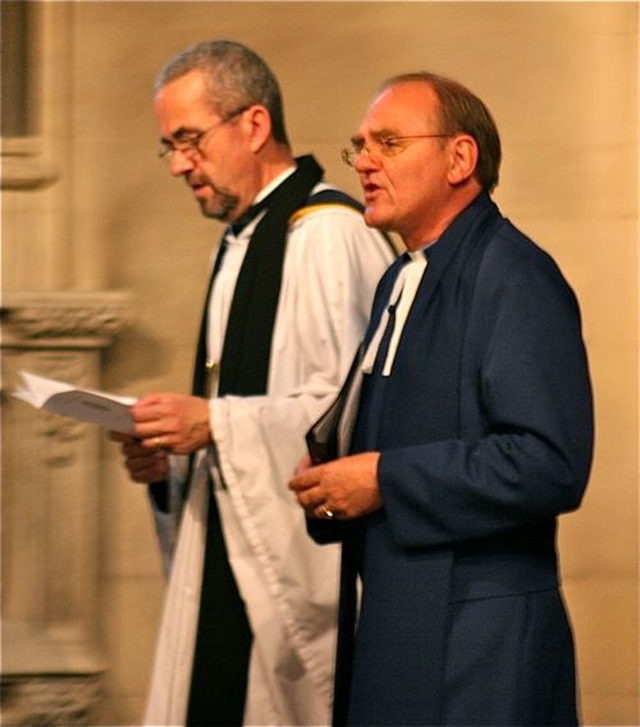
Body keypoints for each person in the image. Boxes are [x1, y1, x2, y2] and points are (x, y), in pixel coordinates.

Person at [289, 71, 594, 726]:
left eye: (389, 143)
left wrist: (382, 478)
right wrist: (334, 479)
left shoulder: (514, 274)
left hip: (480, 646)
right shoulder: (401, 276)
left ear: (460, 157)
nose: (364, 161)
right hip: (402, 627)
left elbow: (548, 463)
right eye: (360, 146)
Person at [111, 41, 395, 726]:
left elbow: (355, 418)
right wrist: (172, 459)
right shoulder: (241, 242)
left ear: (254, 124)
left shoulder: (329, 234)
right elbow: (241, 409)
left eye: (189, 140)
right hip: (231, 562)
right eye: (170, 147)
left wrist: (214, 423)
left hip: (300, 580)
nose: (179, 164)